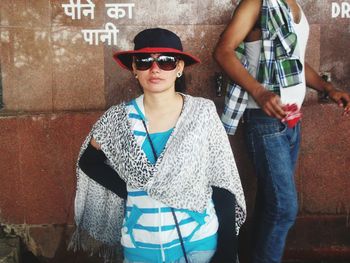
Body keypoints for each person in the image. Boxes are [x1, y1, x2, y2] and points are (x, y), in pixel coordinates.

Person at [70, 28, 246, 263]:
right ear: (134, 68)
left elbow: (222, 181)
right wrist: (133, 190)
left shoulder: (202, 113)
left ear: (180, 67)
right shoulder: (117, 119)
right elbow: (88, 162)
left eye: (166, 61)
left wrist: (226, 251)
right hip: (142, 246)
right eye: (144, 61)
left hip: (200, 243)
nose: (155, 69)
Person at [214, 0, 350, 262]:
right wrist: (260, 92)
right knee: (284, 208)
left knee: (271, 203)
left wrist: (327, 89)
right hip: (265, 121)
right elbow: (222, 51)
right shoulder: (256, 3)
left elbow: (296, 62)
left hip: (290, 120)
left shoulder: (294, 5)